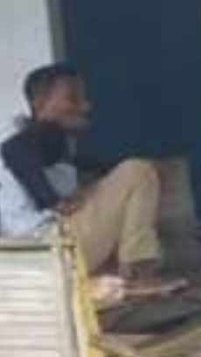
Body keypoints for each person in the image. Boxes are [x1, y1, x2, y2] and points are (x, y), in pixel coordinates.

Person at [0, 63, 177, 292]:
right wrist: (52, 200)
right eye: (72, 98)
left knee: (122, 178)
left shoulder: (51, 145)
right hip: (48, 250)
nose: (85, 106)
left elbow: (85, 167)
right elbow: (15, 150)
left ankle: (127, 273)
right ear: (39, 104)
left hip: (48, 251)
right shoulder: (28, 137)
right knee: (137, 171)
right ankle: (138, 272)